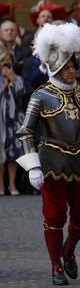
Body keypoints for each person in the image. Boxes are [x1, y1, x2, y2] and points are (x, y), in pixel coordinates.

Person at [15, 22, 80, 285]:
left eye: (73, 67)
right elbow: (26, 132)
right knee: (54, 215)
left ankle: (68, 250)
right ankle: (55, 265)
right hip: (51, 163)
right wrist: (33, 166)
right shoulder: (40, 95)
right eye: (66, 68)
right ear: (55, 69)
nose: (71, 71)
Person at [0, 48, 25, 196]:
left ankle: (12, 183)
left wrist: (13, 80)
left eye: (8, 62)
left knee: (14, 152)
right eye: (3, 62)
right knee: (1, 150)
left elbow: (22, 96)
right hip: (1, 120)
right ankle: (1, 185)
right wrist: (4, 84)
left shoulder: (18, 78)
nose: (6, 65)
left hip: (15, 120)